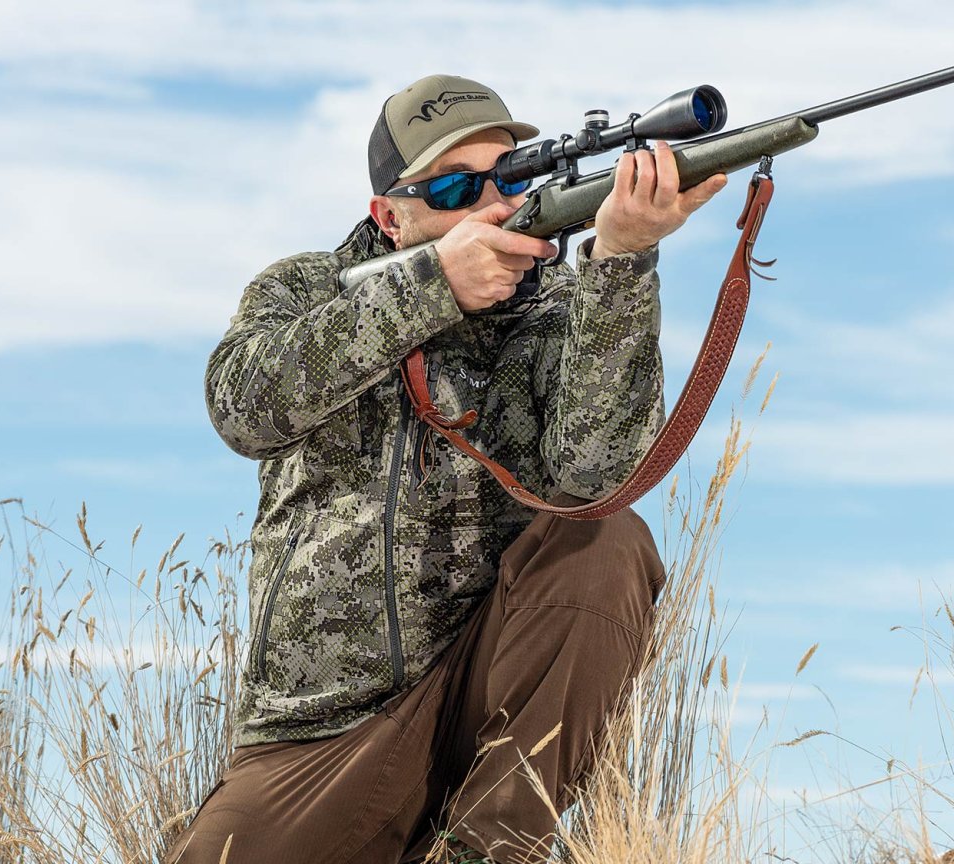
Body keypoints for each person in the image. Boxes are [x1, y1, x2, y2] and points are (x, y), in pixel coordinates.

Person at [169, 74, 725, 864]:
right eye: (454, 187)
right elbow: (243, 405)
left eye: (509, 176)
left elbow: (600, 472)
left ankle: (484, 850)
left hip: (488, 682)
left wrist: (623, 263)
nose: (488, 201)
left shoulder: (556, 305)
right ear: (389, 215)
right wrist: (432, 290)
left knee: (609, 543)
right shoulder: (306, 288)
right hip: (325, 728)